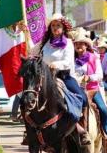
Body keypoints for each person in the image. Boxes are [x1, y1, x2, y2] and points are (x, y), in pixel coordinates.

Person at [38, 13, 90, 145]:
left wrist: (56, 65)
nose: (55, 28)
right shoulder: (45, 45)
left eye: (58, 25)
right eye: (53, 26)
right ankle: (32, 129)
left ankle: (81, 129)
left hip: (64, 76)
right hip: (46, 77)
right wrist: (26, 34)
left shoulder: (68, 44)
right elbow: (34, 54)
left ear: (63, 28)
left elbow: (67, 62)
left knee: (82, 98)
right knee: (30, 97)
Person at [73, 31, 107, 148]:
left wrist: (89, 78)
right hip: (75, 90)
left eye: (82, 43)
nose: (79, 46)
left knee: (103, 110)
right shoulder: (71, 59)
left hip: (92, 90)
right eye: (77, 43)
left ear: (86, 45)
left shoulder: (94, 58)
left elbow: (100, 75)